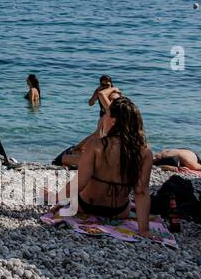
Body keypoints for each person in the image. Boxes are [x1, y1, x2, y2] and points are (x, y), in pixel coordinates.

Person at [47, 96, 153, 234]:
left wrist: (53, 197)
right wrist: (143, 230)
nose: (103, 118)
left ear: (113, 121)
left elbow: (78, 185)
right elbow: (141, 191)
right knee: (131, 202)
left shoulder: (96, 145)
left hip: (86, 207)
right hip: (118, 211)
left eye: (106, 114)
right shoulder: (145, 151)